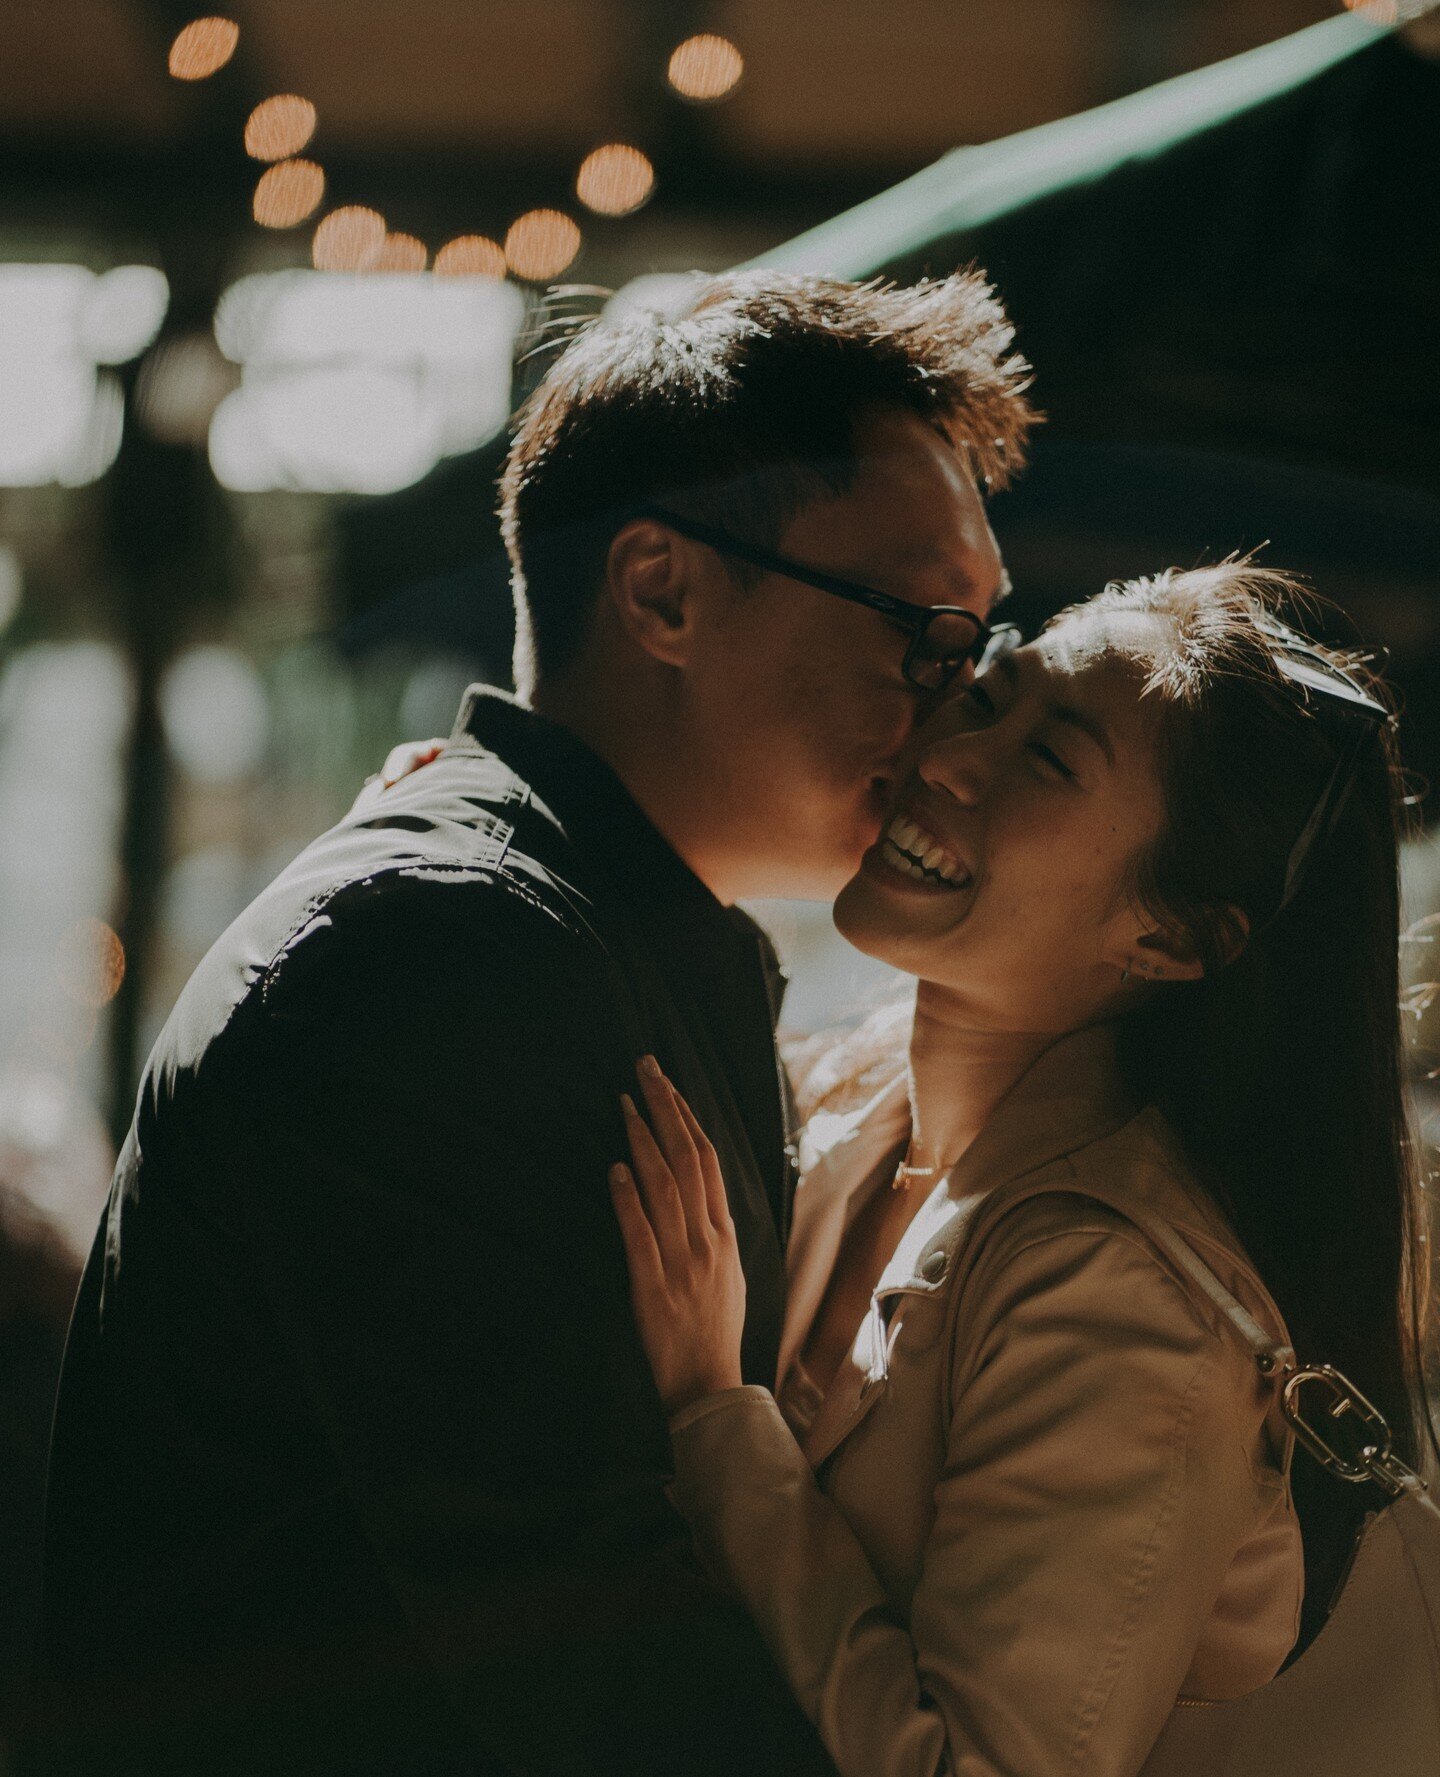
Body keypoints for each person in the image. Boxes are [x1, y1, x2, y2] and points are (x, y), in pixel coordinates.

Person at [30, 271, 1035, 1774]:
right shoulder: (449, 954)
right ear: (661, 591)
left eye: (977, 646)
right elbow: (598, 1664)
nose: (955, 707)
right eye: (922, 631)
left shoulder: (579, 933)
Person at [607, 564, 1439, 1777]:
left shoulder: (1120, 1296)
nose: (948, 757)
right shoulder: (851, 1095)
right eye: (992, 699)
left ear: (1172, 937)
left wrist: (713, 1416)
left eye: (1052, 762)